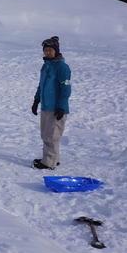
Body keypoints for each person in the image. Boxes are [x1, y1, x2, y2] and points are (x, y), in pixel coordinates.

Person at [31, 36, 71, 170]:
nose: (47, 52)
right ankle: (53, 158)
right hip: (46, 106)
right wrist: (36, 100)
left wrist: (61, 106)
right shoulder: (46, 66)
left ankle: (48, 163)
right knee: (46, 134)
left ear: (56, 51)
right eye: (45, 50)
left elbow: (65, 88)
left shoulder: (62, 67)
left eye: (50, 50)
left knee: (51, 136)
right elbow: (41, 85)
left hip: (56, 108)